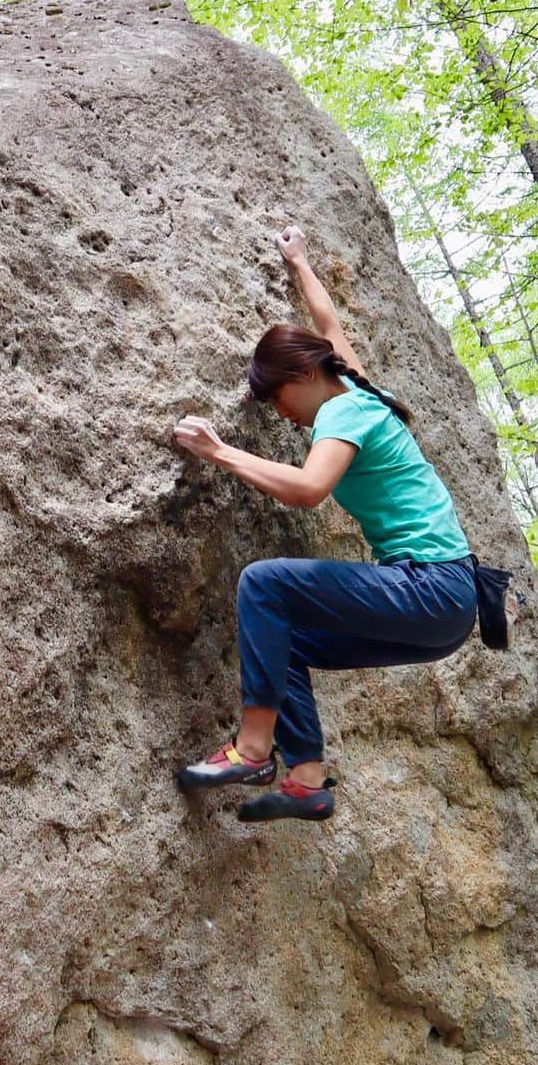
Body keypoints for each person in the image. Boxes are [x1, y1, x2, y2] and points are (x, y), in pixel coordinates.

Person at [172, 225, 477, 823]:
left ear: (306, 376)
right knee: (284, 636)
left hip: (434, 586)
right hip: (446, 613)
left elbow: (310, 490)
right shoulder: (363, 391)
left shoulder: (343, 409)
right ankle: (307, 781)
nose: (282, 414)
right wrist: (300, 262)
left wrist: (220, 452)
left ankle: (255, 749)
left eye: (279, 397)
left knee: (264, 584)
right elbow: (330, 329)